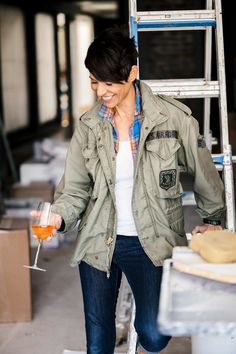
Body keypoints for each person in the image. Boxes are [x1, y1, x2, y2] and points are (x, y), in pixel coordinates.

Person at [50, 26, 225, 354]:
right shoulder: (89, 127)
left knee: (154, 336)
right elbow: (73, 189)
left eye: (108, 82)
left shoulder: (174, 120)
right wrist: (57, 218)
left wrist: (213, 218)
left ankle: (140, 313)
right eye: (94, 81)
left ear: (132, 73)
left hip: (151, 240)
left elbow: (204, 175)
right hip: (97, 239)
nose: (100, 91)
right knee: (98, 340)